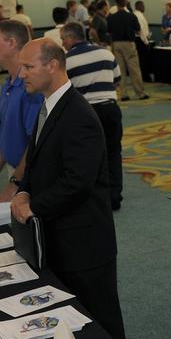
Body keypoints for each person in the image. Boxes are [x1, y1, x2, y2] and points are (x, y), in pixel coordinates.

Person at [9, 39, 127, 339]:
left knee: (101, 323)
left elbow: (78, 182)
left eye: (28, 67)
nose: (22, 74)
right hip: (61, 236)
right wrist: (23, 191)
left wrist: (34, 206)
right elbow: (37, 162)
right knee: (73, 322)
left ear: (53, 66)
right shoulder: (48, 106)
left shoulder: (79, 115)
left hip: (84, 244)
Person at [60, 21, 124, 210]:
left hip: (86, 113)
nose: (62, 43)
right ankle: (115, 196)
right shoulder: (106, 53)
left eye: (63, 39)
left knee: (89, 156)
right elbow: (117, 80)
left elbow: (65, 90)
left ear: (71, 37)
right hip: (110, 108)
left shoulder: (67, 61)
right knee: (113, 153)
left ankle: (96, 197)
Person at [0, 20, 44, 200]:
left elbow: (36, 142)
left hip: (31, 176)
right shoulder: (7, 86)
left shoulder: (30, 88)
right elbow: (6, 135)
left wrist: (15, 183)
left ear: (12, 43)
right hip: (16, 171)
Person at [108, 0, 147, 100]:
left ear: (116, 4)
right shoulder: (131, 16)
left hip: (116, 44)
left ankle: (123, 94)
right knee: (134, 69)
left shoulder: (111, 17)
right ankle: (140, 93)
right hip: (129, 43)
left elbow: (109, 31)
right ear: (125, 4)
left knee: (120, 70)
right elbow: (138, 30)